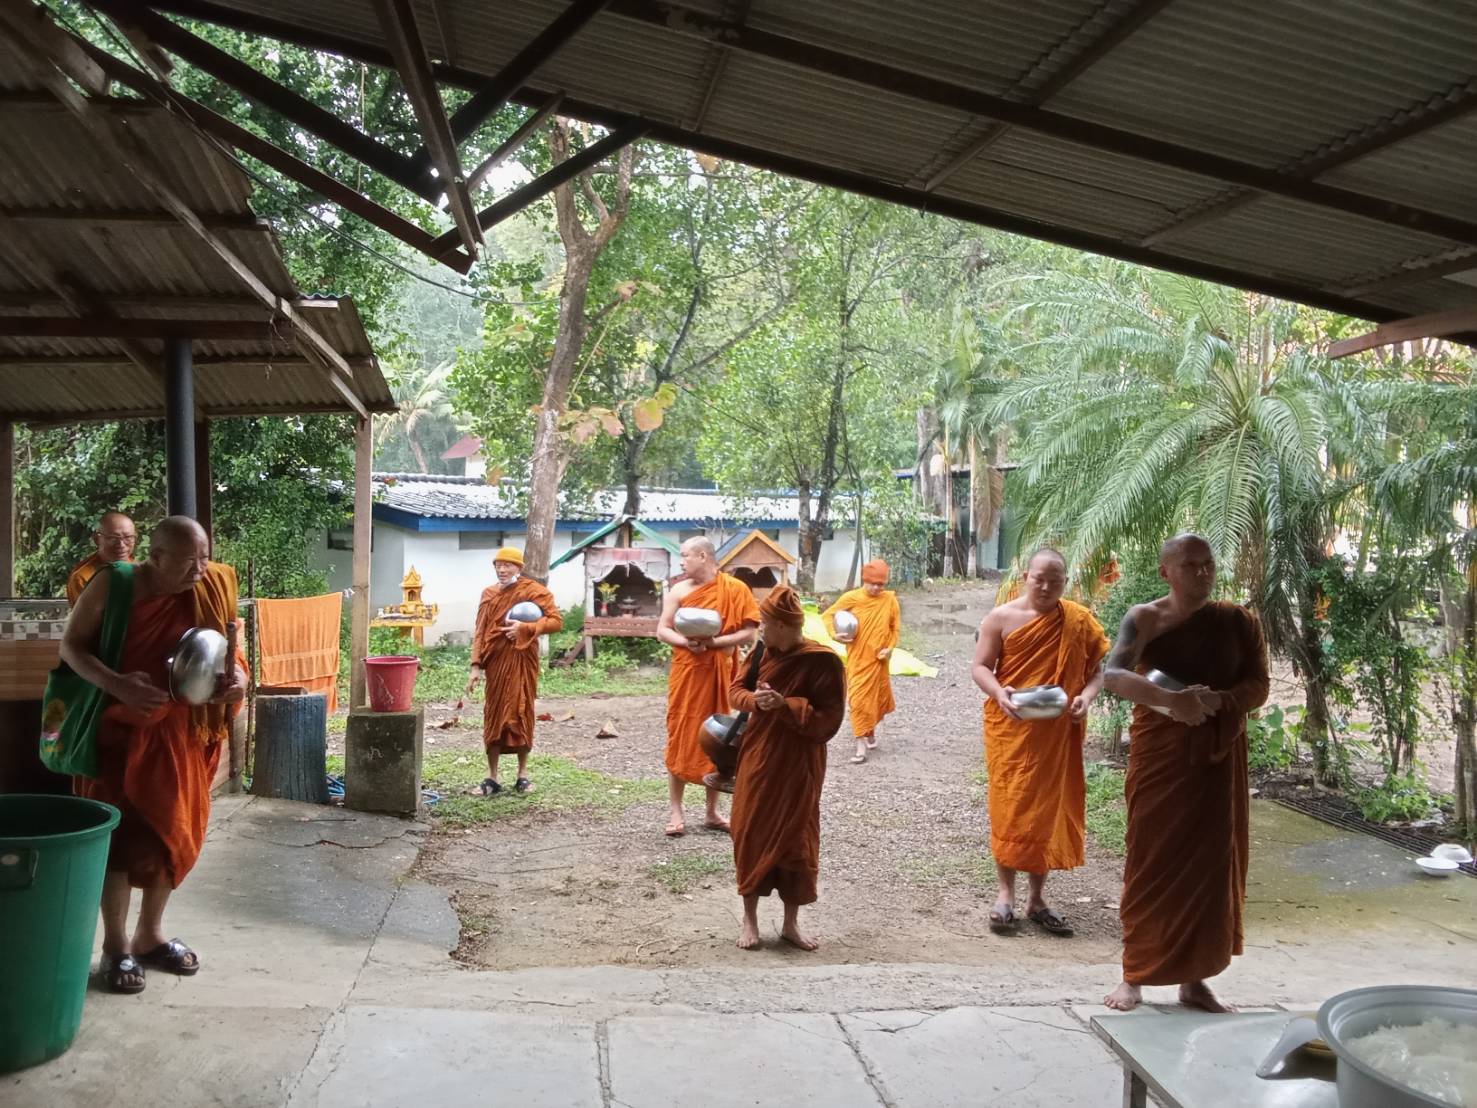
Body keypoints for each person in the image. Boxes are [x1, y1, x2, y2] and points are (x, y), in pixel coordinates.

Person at [62, 516, 247, 994]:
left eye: (204, 558)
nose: (200, 570)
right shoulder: (113, 584)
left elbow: (227, 652)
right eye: (188, 561)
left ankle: (150, 935)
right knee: (119, 844)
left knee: (172, 836)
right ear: (156, 556)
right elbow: (71, 648)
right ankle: (116, 946)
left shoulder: (212, 584)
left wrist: (238, 681)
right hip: (118, 733)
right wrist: (118, 684)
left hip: (178, 734)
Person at [1101, 533, 1269, 1013]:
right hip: (1164, 757)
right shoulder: (1144, 618)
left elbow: (1258, 684)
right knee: (1151, 859)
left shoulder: (1238, 622)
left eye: (1208, 563)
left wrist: (1221, 701)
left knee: (1210, 866)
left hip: (1218, 757)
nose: (1202, 572)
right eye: (1191, 565)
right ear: (1166, 572)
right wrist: (1172, 701)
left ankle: (1195, 981)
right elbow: (1113, 675)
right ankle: (1134, 974)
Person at [972, 548, 1109, 937]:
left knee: (1046, 812)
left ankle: (1037, 899)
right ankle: (1005, 895)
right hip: (1012, 729)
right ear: (1025, 578)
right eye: (1039, 579)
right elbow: (980, 667)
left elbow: (1098, 672)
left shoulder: (1078, 620)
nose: (1046, 587)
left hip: (1057, 731)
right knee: (1010, 808)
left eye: (1055, 580)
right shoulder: (1000, 618)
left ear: (1066, 581)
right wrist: (998, 692)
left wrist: (1086, 697)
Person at [728, 585, 847, 951]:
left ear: (782, 625)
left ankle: (790, 924)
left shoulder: (823, 661)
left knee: (798, 839)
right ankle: (749, 920)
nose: (760, 629)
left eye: (764, 623)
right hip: (759, 755)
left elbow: (830, 719)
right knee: (750, 831)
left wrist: (787, 705)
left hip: (800, 761)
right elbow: (735, 692)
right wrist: (756, 701)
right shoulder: (761, 653)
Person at [656, 536, 759, 837]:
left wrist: (715, 643)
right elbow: (662, 630)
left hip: (721, 673)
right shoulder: (679, 590)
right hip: (688, 673)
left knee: (719, 738)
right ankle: (676, 811)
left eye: (685, 555)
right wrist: (685, 642)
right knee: (680, 734)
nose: (681, 562)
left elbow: (750, 633)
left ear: (703, 556)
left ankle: (712, 812)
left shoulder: (734, 589)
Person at [465, 546, 562, 796]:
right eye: (498, 565)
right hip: (496, 662)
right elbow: (480, 631)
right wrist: (475, 666)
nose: (502, 569)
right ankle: (492, 777)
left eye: (507, 565)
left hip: (522, 659)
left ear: (519, 568)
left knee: (522, 711)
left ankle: (522, 776)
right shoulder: (488, 594)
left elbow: (555, 621)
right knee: (494, 714)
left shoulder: (533, 591)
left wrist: (525, 628)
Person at [821, 558, 901, 764]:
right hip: (858, 660)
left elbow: (895, 629)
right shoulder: (852, 598)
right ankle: (860, 745)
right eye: (872, 584)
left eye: (880, 584)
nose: (876, 588)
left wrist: (890, 649)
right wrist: (835, 634)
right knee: (857, 701)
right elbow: (828, 615)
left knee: (875, 700)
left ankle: (869, 731)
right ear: (864, 580)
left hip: (879, 661)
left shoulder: (889, 600)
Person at [65, 511, 137, 606]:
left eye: (128, 537)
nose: (121, 544)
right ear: (97, 540)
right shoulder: (83, 577)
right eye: (112, 538)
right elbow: (88, 614)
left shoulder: (139, 569)